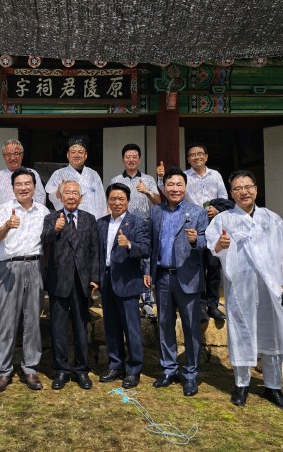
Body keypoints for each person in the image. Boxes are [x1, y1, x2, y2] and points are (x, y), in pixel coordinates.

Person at [206, 170, 283, 410]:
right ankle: (241, 384)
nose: (243, 192)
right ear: (231, 193)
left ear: (256, 189)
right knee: (241, 332)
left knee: (271, 334)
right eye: (238, 188)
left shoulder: (271, 219)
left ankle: (273, 386)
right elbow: (212, 247)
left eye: (248, 187)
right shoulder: (224, 220)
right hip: (240, 288)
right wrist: (220, 244)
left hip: (270, 287)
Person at [0, 168, 49, 392]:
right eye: (19, 184)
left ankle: (30, 368)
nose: (23, 188)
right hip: (10, 267)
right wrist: (7, 225)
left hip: (34, 265)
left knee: (33, 319)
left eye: (27, 183)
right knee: (7, 320)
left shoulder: (43, 211)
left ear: (34, 186)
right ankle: (3, 371)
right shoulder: (5, 208)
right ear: (13, 188)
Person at [149, 167, 208, 397]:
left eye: (179, 184)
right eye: (170, 184)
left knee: (191, 327)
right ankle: (169, 369)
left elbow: (207, 242)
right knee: (165, 324)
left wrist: (195, 240)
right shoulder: (156, 212)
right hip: (163, 276)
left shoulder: (197, 212)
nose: (174, 189)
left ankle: (191, 374)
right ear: (164, 188)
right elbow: (151, 244)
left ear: (185, 187)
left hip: (188, 277)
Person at [158, 144, 228, 321]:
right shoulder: (184, 177)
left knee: (213, 265)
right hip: (193, 224)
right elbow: (170, 191)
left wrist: (217, 211)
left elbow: (224, 198)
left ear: (206, 156)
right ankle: (201, 305)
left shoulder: (215, 175)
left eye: (200, 154)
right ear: (188, 159)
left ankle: (213, 304)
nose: (197, 157)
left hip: (213, 223)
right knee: (198, 264)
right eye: (192, 155)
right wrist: (160, 177)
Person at [41, 180, 100, 390]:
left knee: (80, 327)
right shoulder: (51, 217)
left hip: (81, 280)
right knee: (58, 327)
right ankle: (61, 370)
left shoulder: (89, 219)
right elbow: (43, 239)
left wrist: (95, 278)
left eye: (75, 193)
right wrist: (55, 230)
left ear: (81, 198)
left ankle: (81, 369)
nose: (71, 196)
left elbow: (95, 250)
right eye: (67, 193)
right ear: (60, 196)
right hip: (58, 279)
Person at [97, 183, 151, 389]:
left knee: (131, 327)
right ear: (108, 201)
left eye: (121, 199)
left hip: (128, 280)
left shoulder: (137, 222)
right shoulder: (101, 223)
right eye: (113, 199)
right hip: (106, 279)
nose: (117, 202)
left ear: (128, 201)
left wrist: (129, 245)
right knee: (111, 326)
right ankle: (115, 365)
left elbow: (145, 248)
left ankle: (134, 369)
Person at [110, 143, 160, 321]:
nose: (131, 160)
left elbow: (158, 201)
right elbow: (112, 203)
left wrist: (147, 191)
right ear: (123, 159)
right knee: (125, 260)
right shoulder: (116, 180)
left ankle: (147, 301)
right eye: (127, 157)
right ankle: (127, 295)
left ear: (139, 159)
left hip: (143, 225)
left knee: (145, 261)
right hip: (123, 226)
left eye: (134, 157)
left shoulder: (148, 179)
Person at [45, 137, 108, 218]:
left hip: (91, 219)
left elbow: (101, 200)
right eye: (73, 152)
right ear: (68, 155)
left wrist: (101, 220)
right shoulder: (58, 174)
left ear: (85, 155)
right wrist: (58, 192)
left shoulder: (93, 174)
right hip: (68, 219)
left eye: (80, 152)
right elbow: (52, 197)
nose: (76, 155)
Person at [0, 139, 46, 207]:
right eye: (8, 154)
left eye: (16, 154)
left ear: (22, 155)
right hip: (4, 214)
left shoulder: (32, 174)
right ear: (4, 157)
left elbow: (41, 197)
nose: (12, 158)